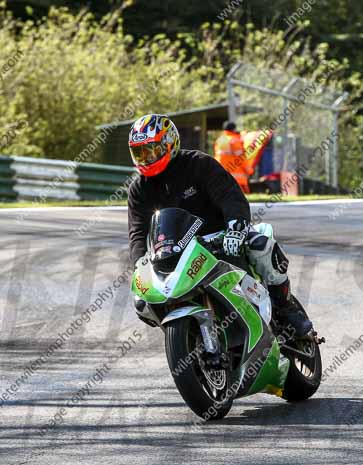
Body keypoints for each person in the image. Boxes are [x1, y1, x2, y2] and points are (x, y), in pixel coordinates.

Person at [126, 113, 313, 337]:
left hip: (221, 238)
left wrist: (236, 227)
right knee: (143, 302)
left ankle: (286, 307)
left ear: (169, 143)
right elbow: (138, 231)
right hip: (176, 254)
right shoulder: (139, 190)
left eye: (151, 150)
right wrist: (138, 264)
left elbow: (229, 196)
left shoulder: (198, 164)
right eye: (140, 153)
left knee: (261, 244)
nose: (145, 158)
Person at [213, 120, 251, 193]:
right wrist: (248, 170)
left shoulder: (219, 140)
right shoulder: (235, 140)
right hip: (235, 175)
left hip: (221, 172)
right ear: (234, 129)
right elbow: (241, 158)